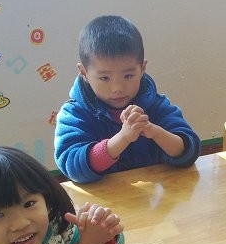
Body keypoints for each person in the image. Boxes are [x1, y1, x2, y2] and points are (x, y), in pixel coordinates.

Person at [54, 15, 201, 184]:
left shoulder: (156, 105)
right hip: (104, 200)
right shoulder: (74, 114)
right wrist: (123, 138)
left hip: (156, 198)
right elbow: (73, 167)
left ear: (142, 68)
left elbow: (189, 151)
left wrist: (155, 132)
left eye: (128, 76)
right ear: (84, 73)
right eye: (104, 78)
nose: (117, 88)